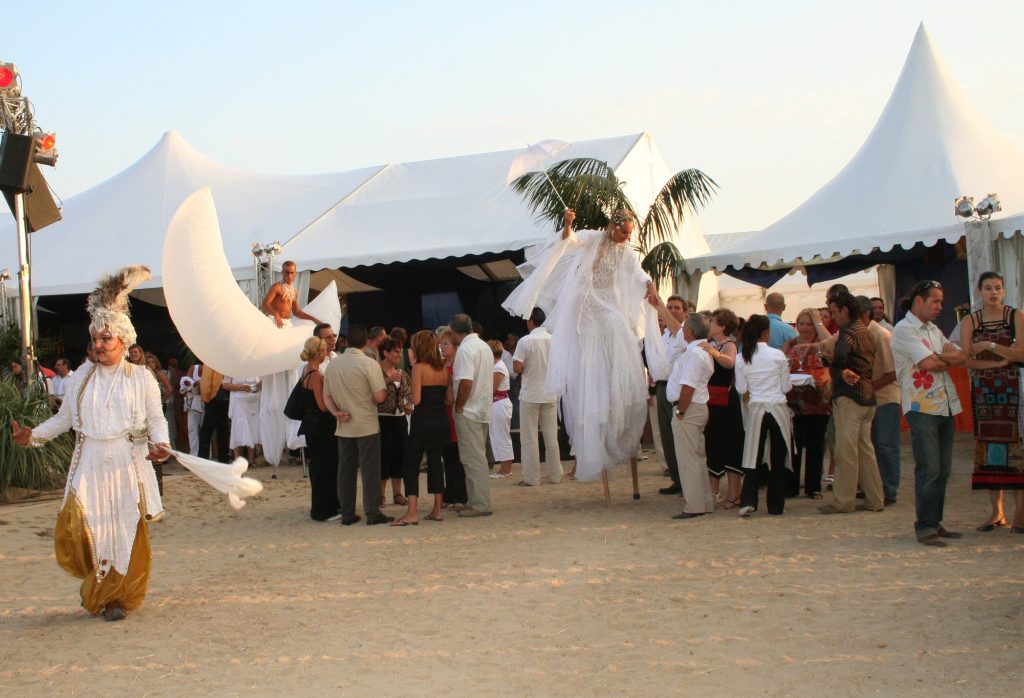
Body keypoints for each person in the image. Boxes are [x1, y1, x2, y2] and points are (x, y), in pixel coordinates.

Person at [11, 265, 169, 621]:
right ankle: (100, 587)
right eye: (95, 339)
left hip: (129, 461)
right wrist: (32, 436)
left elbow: (157, 419)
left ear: (123, 340)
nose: (98, 345)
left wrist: (160, 444)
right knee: (85, 527)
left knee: (124, 528)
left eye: (105, 339)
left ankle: (115, 599)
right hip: (90, 461)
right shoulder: (82, 376)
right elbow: (64, 420)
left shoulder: (141, 378)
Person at [501, 207, 662, 482]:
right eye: (624, 231)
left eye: (629, 233)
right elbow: (570, 240)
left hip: (608, 305)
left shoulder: (626, 252)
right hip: (587, 307)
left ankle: (615, 409)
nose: (626, 237)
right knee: (590, 356)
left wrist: (649, 285)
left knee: (617, 335)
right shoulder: (593, 237)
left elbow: (638, 273)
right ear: (613, 226)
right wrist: (567, 223)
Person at [891, 280, 965, 547]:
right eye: (935, 301)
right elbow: (930, 363)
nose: (939, 307)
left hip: (944, 403)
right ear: (918, 300)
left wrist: (943, 358)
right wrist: (945, 358)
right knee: (929, 467)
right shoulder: (904, 329)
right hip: (922, 406)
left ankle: (934, 521)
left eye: (940, 301)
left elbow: (959, 355)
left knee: (942, 468)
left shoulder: (932, 329)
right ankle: (925, 526)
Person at [956, 271, 1024, 533]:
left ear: (1004, 291)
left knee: (1016, 447)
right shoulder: (970, 321)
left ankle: (1019, 513)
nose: (993, 292)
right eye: (988, 288)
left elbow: (1022, 353)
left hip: (1014, 389)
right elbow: (965, 358)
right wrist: (1003, 355)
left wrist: (990, 345)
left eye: (997, 287)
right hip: (984, 390)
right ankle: (997, 512)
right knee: (989, 447)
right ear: (979, 292)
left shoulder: (1015, 316)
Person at [818, 292, 883, 515]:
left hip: (849, 396)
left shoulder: (847, 334)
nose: (834, 316)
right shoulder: (867, 332)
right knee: (866, 450)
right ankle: (875, 499)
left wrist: (828, 361)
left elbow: (841, 362)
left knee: (846, 451)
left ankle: (844, 501)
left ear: (846, 310)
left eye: (835, 312)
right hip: (867, 395)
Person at [322, 324, 393, 526]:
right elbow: (379, 397)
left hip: (344, 424)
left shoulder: (333, 365)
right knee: (370, 470)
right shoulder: (369, 364)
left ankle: (347, 512)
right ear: (365, 342)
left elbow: (326, 396)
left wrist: (336, 413)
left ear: (345, 341)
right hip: (366, 424)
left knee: (346, 470)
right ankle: (372, 511)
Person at [734, 315, 793, 517]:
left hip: (757, 408)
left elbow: (741, 388)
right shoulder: (778, 355)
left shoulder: (742, 357)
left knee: (752, 456)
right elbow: (786, 386)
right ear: (766, 333)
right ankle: (776, 506)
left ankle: (748, 501)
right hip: (778, 408)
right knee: (777, 459)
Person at [393, 330, 451, 525]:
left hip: (423, 419)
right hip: (440, 418)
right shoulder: (443, 368)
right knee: (436, 463)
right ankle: (437, 509)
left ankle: (412, 512)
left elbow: (416, 398)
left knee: (411, 463)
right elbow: (449, 399)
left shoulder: (419, 367)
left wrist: (406, 403)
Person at [666, 314, 716, 519]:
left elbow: (688, 386)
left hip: (689, 408)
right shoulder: (698, 351)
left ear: (690, 332)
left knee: (689, 459)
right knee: (696, 457)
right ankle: (703, 501)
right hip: (693, 407)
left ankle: (695, 504)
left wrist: (681, 410)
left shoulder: (696, 353)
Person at [782, 309, 831, 499]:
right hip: (796, 399)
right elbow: (782, 364)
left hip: (819, 400)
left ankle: (813, 487)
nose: (804, 328)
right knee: (795, 444)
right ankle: (791, 486)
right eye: (801, 323)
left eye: (809, 323)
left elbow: (831, 349)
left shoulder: (823, 344)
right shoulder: (791, 344)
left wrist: (820, 324)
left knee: (816, 445)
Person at [512, 307, 563, 487]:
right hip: (550, 393)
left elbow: (517, 367)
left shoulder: (525, 341)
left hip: (531, 394)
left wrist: (525, 369)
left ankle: (531, 478)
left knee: (529, 438)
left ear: (531, 321)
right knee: (551, 436)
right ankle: (555, 475)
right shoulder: (553, 340)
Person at [450, 314, 494, 517]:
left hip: (469, 409)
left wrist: (459, 406)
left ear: (454, 330)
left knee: (472, 458)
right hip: (482, 408)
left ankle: (480, 504)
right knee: (475, 457)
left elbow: (466, 382)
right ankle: (475, 500)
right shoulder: (483, 346)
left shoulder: (466, 349)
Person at [702, 308, 745, 507]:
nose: (709, 325)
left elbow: (729, 363)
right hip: (713, 401)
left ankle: (734, 494)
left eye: (712, 322)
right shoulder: (711, 343)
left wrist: (711, 352)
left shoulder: (728, 344)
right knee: (713, 444)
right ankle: (713, 492)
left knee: (730, 444)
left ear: (722, 326)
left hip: (726, 402)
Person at [295, 337, 341, 521]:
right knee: (325, 467)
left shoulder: (306, 371)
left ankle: (322, 507)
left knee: (318, 467)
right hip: (321, 426)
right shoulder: (315, 374)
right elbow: (322, 406)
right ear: (319, 353)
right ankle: (324, 509)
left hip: (311, 425)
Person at [648, 294, 688, 495]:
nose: (672, 311)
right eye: (670, 307)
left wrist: (660, 306)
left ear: (685, 312)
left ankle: (687, 480)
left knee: (680, 436)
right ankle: (676, 478)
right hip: (662, 387)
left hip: (679, 389)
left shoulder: (684, 334)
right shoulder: (663, 336)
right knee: (667, 437)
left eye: (676, 308)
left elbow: (677, 330)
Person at [376, 336, 411, 507]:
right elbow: (370, 395)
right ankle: (381, 495)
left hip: (400, 418)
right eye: (395, 351)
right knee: (383, 456)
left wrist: (409, 404)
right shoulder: (375, 372)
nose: (399, 354)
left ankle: (397, 493)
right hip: (382, 419)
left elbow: (409, 393)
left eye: (399, 351)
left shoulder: (403, 373)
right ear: (385, 352)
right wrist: (387, 381)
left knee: (400, 455)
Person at [438, 327, 467, 507]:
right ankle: (449, 493)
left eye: (446, 344)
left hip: (455, 413)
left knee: (457, 457)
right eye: (441, 344)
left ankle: (460, 495)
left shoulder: (458, 365)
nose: (442, 347)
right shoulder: (441, 365)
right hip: (443, 417)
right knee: (447, 456)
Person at [260, 260, 322, 328]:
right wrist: (276, 315)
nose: (289, 275)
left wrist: (313, 319)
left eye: (292, 273)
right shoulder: (276, 287)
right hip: (274, 321)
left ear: (295, 273)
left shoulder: (294, 291)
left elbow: (297, 312)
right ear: (282, 272)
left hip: (287, 323)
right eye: (287, 272)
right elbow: (264, 305)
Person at [487, 339, 515, 479]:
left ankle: (506, 468)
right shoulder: (496, 366)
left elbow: (492, 389)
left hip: (500, 404)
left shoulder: (498, 367)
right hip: (497, 404)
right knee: (498, 436)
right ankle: (503, 467)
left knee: (502, 436)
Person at [222, 375, 261, 463]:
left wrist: (259, 384)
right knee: (238, 429)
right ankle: (237, 459)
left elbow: (261, 381)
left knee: (252, 429)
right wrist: (240, 387)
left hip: (253, 401)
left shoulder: (256, 363)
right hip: (238, 401)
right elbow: (225, 385)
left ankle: (252, 460)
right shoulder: (232, 366)